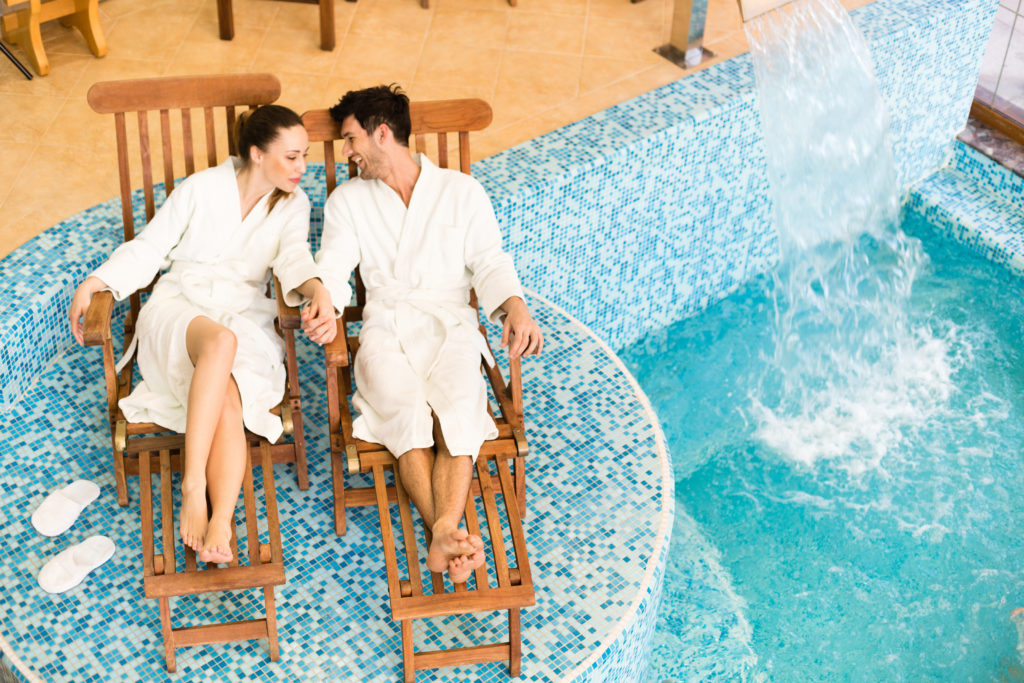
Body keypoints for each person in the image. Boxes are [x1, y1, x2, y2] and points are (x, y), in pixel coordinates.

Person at [68, 105, 336, 564]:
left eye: (304, 156)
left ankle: (220, 522)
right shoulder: (201, 188)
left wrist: (318, 290)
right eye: (291, 157)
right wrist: (97, 282)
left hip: (243, 316)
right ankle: (193, 485)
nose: (301, 168)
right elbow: (152, 246)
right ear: (256, 153)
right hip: (179, 311)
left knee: (229, 393)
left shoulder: (293, 204)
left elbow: (293, 258)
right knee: (220, 344)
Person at [317, 85, 542, 583]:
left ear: (382, 134)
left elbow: (489, 262)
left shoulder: (461, 192)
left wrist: (516, 307)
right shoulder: (348, 201)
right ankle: (446, 529)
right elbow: (332, 269)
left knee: (461, 409)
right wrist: (323, 303)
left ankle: (440, 533)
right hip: (385, 326)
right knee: (403, 410)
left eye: (351, 139)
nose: (347, 152)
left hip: (450, 324)